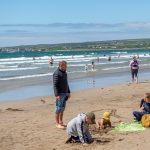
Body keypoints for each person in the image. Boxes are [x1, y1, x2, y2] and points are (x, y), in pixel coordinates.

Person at [53, 60, 71, 129]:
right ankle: (57, 123)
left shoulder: (65, 73)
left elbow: (66, 83)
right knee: (58, 109)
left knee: (62, 109)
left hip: (65, 93)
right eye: (65, 66)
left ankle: (61, 122)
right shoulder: (56, 73)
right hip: (60, 94)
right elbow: (55, 85)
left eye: (66, 66)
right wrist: (56, 95)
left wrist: (68, 92)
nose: (66, 67)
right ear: (61, 66)